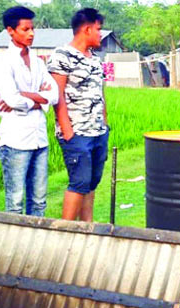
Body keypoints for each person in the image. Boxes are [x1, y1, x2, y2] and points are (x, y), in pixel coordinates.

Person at [0, 6, 58, 217]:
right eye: (25, 29)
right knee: (15, 202)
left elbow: (54, 94)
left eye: (32, 28)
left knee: (39, 201)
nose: (31, 34)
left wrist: (26, 95)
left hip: (39, 139)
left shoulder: (38, 63)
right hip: (16, 141)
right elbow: (11, 98)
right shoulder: (4, 63)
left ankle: (36, 247)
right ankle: (15, 249)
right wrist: (39, 97)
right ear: (10, 31)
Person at [47, 8, 109, 222]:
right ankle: (66, 231)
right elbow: (58, 95)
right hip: (77, 132)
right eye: (98, 30)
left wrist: (105, 125)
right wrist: (68, 132)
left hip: (98, 131)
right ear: (87, 29)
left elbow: (100, 93)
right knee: (79, 182)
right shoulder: (62, 56)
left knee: (91, 182)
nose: (100, 35)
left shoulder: (95, 60)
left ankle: (87, 229)